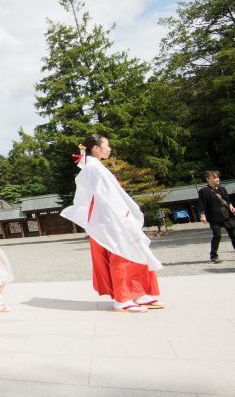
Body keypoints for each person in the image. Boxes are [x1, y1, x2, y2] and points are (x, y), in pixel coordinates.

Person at [62, 134, 164, 313]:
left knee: (137, 252)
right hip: (112, 217)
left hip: (119, 215)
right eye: (107, 145)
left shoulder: (95, 166)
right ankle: (123, 298)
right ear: (96, 147)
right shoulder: (92, 168)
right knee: (122, 254)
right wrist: (117, 217)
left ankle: (138, 293)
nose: (109, 149)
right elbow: (102, 197)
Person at [198, 170, 235, 264]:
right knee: (217, 236)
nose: (217, 179)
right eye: (214, 177)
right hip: (214, 216)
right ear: (207, 179)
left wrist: (231, 205)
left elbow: (228, 200)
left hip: (227, 214)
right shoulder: (204, 191)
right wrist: (203, 215)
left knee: (234, 235)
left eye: (218, 177)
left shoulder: (222, 189)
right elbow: (202, 204)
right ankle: (214, 255)